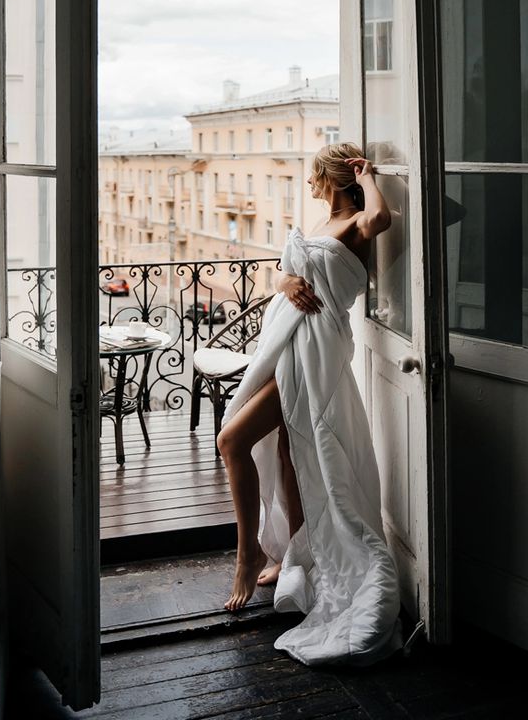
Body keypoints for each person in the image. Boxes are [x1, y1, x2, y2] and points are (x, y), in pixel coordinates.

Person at [216, 141, 402, 666]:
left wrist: (367, 176)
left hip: (315, 352)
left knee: (232, 440)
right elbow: (283, 273)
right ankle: (292, 554)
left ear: (334, 178)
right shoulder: (318, 225)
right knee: (284, 453)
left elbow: (381, 218)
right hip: (284, 343)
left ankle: (248, 554)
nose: (310, 185)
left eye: (315, 176)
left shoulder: (357, 223)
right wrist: (285, 279)